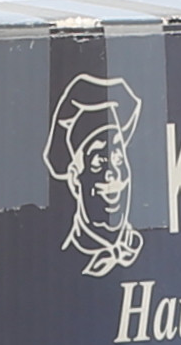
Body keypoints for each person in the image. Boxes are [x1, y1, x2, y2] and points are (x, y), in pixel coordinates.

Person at [46, 76, 143, 276]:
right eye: (98, 162)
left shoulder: (145, 248)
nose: (113, 174)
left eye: (118, 158)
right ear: (75, 180)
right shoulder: (62, 264)